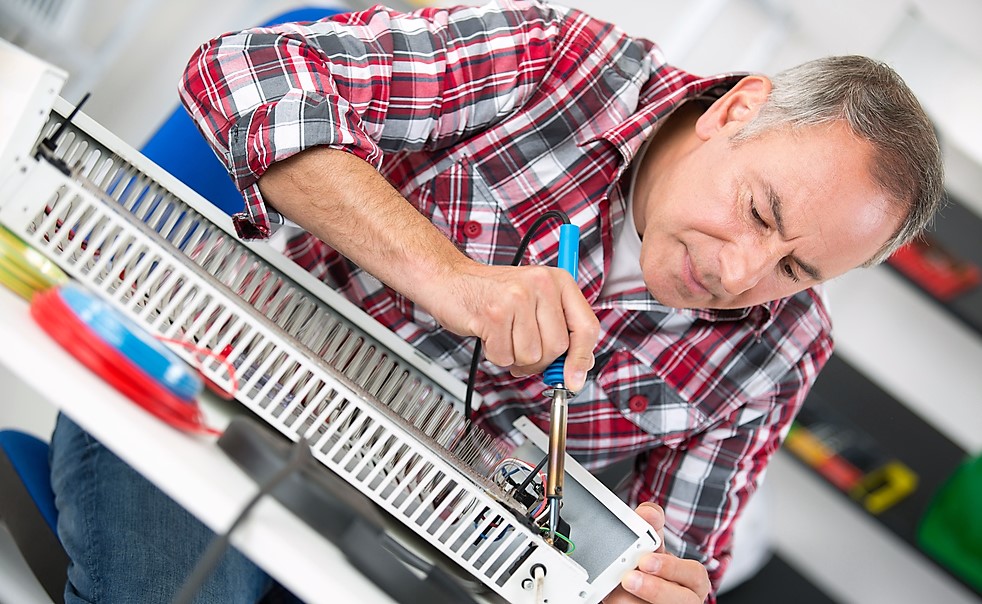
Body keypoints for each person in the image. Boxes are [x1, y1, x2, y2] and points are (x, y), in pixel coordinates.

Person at [50, 1, 944, 603]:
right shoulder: (563, 63)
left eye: (797, 270)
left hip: (416, 553)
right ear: (734, 111)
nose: (744, 276)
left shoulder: (781, 350)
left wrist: (656, 585)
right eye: (758, 211)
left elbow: (684, 558)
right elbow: (247, 70)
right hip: (216, 401)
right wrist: (449, 277)